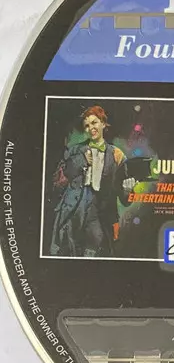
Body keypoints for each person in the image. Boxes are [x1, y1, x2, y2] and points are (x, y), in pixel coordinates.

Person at [50, 105, 137, 257]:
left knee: (95, 250)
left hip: (100, 215)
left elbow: (125, 199)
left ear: (103, 123)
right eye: (87, 125)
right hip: (72, 212)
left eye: (94, 122)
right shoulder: (74, 150)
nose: (91, 128)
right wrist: (81, 160)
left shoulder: (117, 155)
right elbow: (57, 183)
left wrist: (128, 190)